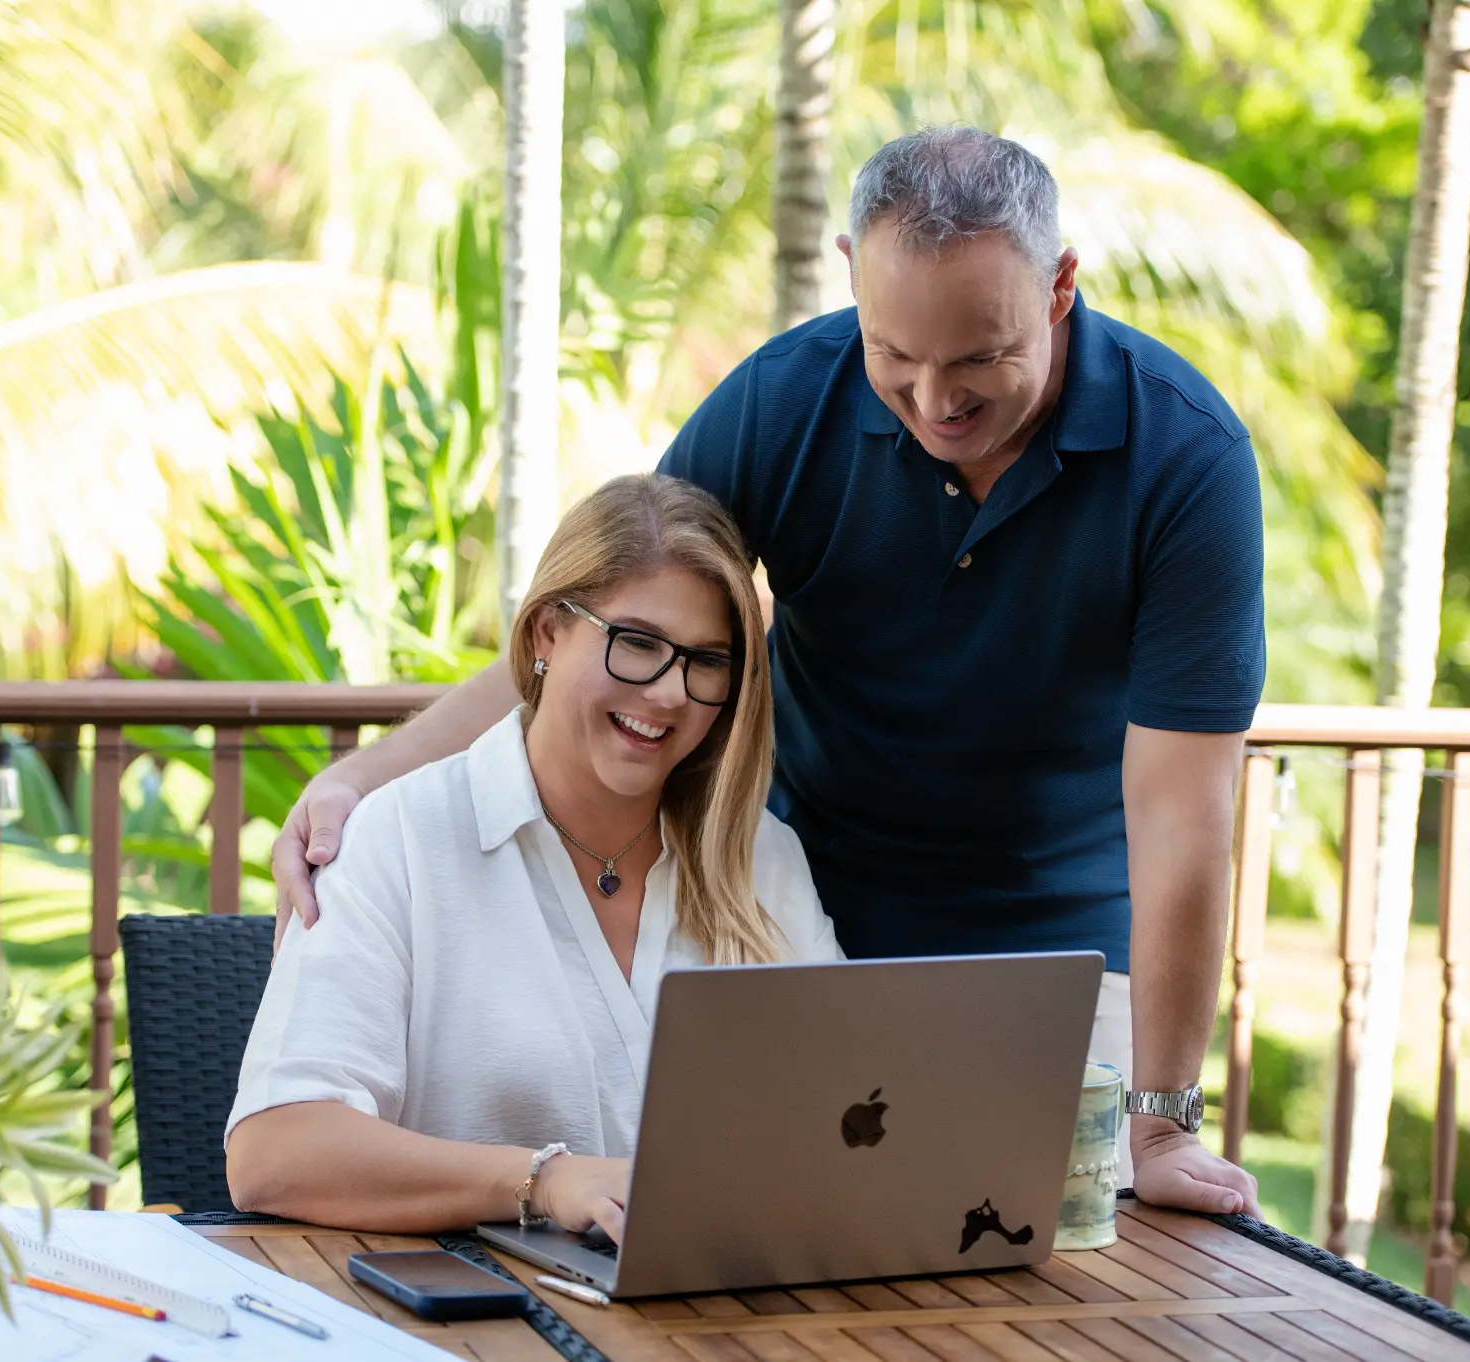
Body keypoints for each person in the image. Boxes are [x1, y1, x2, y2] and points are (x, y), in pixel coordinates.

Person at [271, 127, 1264, 1217]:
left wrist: (1161, 1123)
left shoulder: (1184, 461)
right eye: (896, 355)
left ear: (1060, 287)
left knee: (1070, 1283)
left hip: (1056, 964)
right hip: (815, 918)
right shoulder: (787, 402)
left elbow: (1181, 815)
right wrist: (367, 782)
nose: (934, 401)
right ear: (849, 272)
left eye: (978, 358)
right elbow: (617, 605)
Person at [226, 474, 842, 1237]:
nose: (669, 693)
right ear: (548, 631)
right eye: (637, 643)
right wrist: (542, 1181)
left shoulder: (759, 856)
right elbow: (274, 1151)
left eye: (706, 660)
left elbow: (845, 1115)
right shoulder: (401, 838)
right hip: (474, 1328)